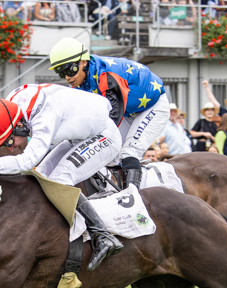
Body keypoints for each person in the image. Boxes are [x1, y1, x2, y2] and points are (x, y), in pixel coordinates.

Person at [0, 84, 124, 271]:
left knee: (61, 178)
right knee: (39, 178)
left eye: (9, 141)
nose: (10, 148)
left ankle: (103, 236)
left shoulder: (43, 118)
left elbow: (25, 162)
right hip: (80, 134)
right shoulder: (8, 111)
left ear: (19, 126)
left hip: (104, 135)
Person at [49, 38, 170, 190]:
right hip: (128, 110)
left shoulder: (106, 76)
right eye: (61, 73)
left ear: (83, 62)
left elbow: (112, 119)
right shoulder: (81, 83)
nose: (67, 77)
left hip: (153, 106)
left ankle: (133, 195)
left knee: (128, 151)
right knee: (106, 153)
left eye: (69, 70)